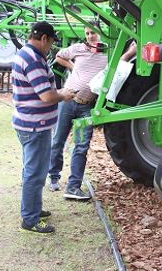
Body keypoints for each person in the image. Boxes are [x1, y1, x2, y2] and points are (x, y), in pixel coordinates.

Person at [48, 25, 136, 200]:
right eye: (87, 33)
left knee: (81, 147)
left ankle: (73, 187)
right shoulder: (78, 49)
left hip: (87, 107)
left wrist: (132, 51)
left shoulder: (107, 53)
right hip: (67, 101)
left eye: (93, 33)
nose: (90, 36)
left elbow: (118, 65)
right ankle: (54, 176)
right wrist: (74, 67)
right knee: (58, 139)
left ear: (101, 33)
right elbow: (59, 56)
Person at [12, 21, 76, 234]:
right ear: (44, 39)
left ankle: (33, 209)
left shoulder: (27, 54)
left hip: (29, 123)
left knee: (32, 170)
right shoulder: (33, 60)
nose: (50, 48)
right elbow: (47, 96)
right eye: (51, 43)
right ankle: (30, 219)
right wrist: (64, 95)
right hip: (35, 126)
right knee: (35, 173)